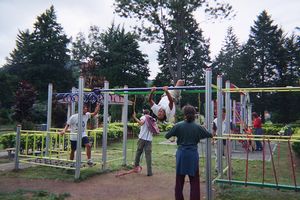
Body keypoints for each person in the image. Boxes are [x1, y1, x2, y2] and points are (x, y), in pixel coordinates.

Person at [165, 105, 212, 200]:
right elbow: (209, 134)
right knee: (194, 181)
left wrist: (176, 132)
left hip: (181, 155)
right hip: (192, 155)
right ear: (195, 115)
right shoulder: (198, 127)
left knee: (179, 180)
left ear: (184, 114)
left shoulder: (178, 125)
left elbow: (167, 135)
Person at [132, 109, 156, 176]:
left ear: (144, 113)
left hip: (142, 138)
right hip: (149, 140)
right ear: (149, 113)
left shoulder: (144, 117)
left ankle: (136, 167)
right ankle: (149, 172)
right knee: (148, 156)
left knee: (138, 152)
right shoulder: (153, 119)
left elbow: (141, 123)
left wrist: (134, 117)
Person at [212, 108, 233, 173]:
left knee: (228, 155)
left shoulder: (229, 120)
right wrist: (213, 139)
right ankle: (217, 168)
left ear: (225, 113)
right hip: (218, 139)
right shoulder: (215, 121)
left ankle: (229, 169)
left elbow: (232, 129)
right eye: (218, 112)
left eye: (222, 112)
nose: (220, 114)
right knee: (218, 155)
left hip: (226, 139)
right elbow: (214, 130)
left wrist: (231, 136)